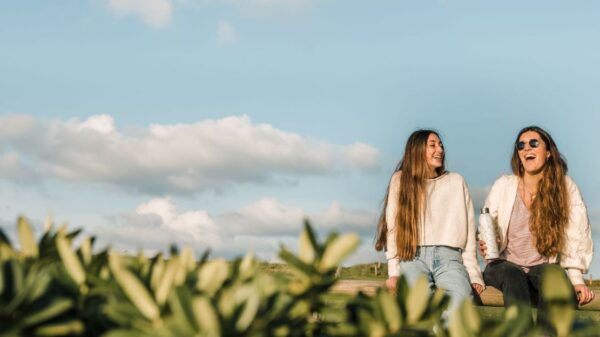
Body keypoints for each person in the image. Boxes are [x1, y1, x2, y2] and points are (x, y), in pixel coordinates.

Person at [480, 126, 594, 308]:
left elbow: (577, 234)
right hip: (503, 265)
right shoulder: (504, 185)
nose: (527, 148)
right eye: (521, 145)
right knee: (513, 274)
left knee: (554, 277)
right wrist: (487, 242)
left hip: (542, 266)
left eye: (534, 143)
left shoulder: (565, 187)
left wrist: (576, 278)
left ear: (548, 152)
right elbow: (486, 228)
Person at [375, 129, 484, 314]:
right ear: (417, 150)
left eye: (440, 145)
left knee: (461, 302)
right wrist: (393, 272)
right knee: (419, 306)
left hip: (450, 259)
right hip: (412, 258)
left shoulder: (456, 181)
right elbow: (393, 230)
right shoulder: (400, 181)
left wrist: (474, 274)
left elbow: (468, 233)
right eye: (432, 145)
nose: (439, 150)